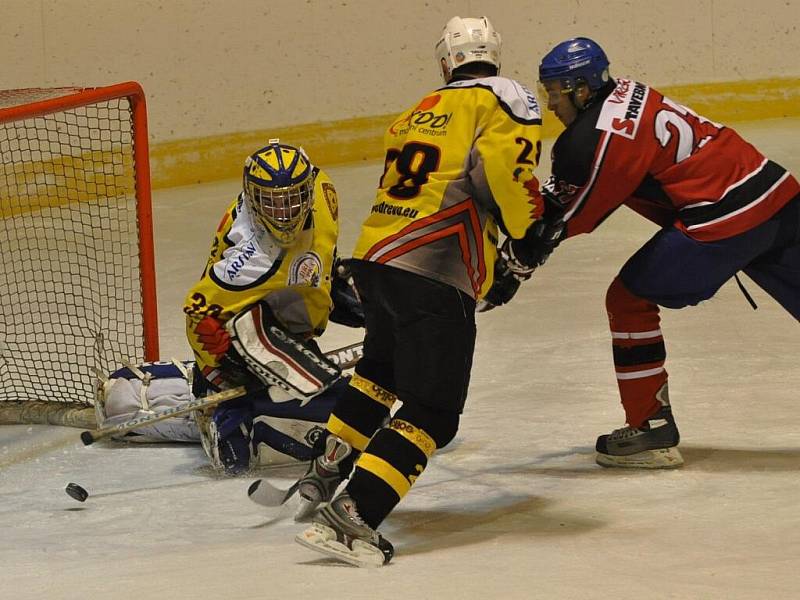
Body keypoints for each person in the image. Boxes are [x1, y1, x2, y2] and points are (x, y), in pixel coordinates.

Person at [293, 16, 547, 567]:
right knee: (433, 410)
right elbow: (505, 174)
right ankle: (353, 515)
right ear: (494, 55)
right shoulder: (506, 97)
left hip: (376, 258)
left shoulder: (419, 109)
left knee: (380, 373)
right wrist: (529, 232)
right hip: (433, 267)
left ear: (445, 61)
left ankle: (325, 471)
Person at [530, 38, 800, 469]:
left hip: (723, 217)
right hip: (776, 194)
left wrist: (520, 252)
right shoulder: (630, 91)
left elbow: (572, 217)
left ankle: (651, 428)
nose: (551, 104)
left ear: (582, 89)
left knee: (628, 299)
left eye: (556, 92)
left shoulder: (595, 136)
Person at [181, 139, 362, 474]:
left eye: (292, 200)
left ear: (308, 191)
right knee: (240, 459)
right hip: (250, 342)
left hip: (284, 325)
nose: (284, 213)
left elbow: (315, 254)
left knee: (359, 413)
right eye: (271, 202)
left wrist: (331, 284)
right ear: (252, 198)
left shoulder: (323, 191)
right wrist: (222, 370)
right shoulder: (250, 259)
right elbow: (198, 312)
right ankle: (223, 408)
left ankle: (250, 401)